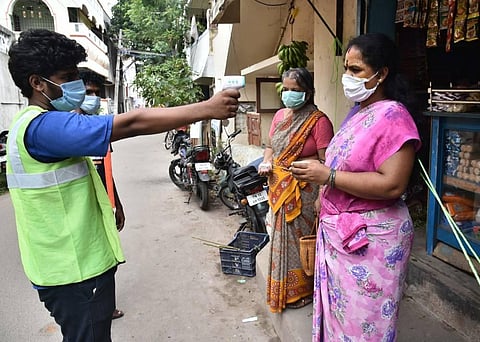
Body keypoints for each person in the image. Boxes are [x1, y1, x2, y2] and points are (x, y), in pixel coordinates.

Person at [6, 29, 240, 341]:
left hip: (67, 264)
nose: (77, 84)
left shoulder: (32, 123)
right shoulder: (43, 127)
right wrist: (206, 108)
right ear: (37, 83)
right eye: (67, 76)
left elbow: (87, 171)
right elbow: (131, 123)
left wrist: (112, 199)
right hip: (73, 270)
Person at [290, 33, 421, 340]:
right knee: (340, 322)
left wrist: (328, 178)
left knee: (365, 327)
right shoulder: (357, 113)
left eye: (356, 70)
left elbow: (392, 184)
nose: (347, 78)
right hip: (341, 236)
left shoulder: (394, 115)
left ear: (382, 72)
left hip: (372, 242)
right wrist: (324, 193)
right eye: (346, 69)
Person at [258, 67, 334, 313]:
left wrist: (322, 196)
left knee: (302, 241)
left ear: (308, 92)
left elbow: (328, 162)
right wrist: (266, 161)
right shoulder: (280, 116)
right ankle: (282, 289)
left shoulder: (319, 121)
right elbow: (271, 146)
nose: (290, 94)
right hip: (279, 186)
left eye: (296, 90)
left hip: (305, 190)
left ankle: (302, 290)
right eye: (287, 89)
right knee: (280, 238)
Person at [76, 70, 125, 320]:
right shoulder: (68, 129)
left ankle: (107, 306)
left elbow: (106, 168)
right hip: (79, 208)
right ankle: (92, 309)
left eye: (96, 92)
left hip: (102, 202)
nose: (93, 97)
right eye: (88, 92)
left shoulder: (97, 127)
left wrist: (117, 204)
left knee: (108, 256)